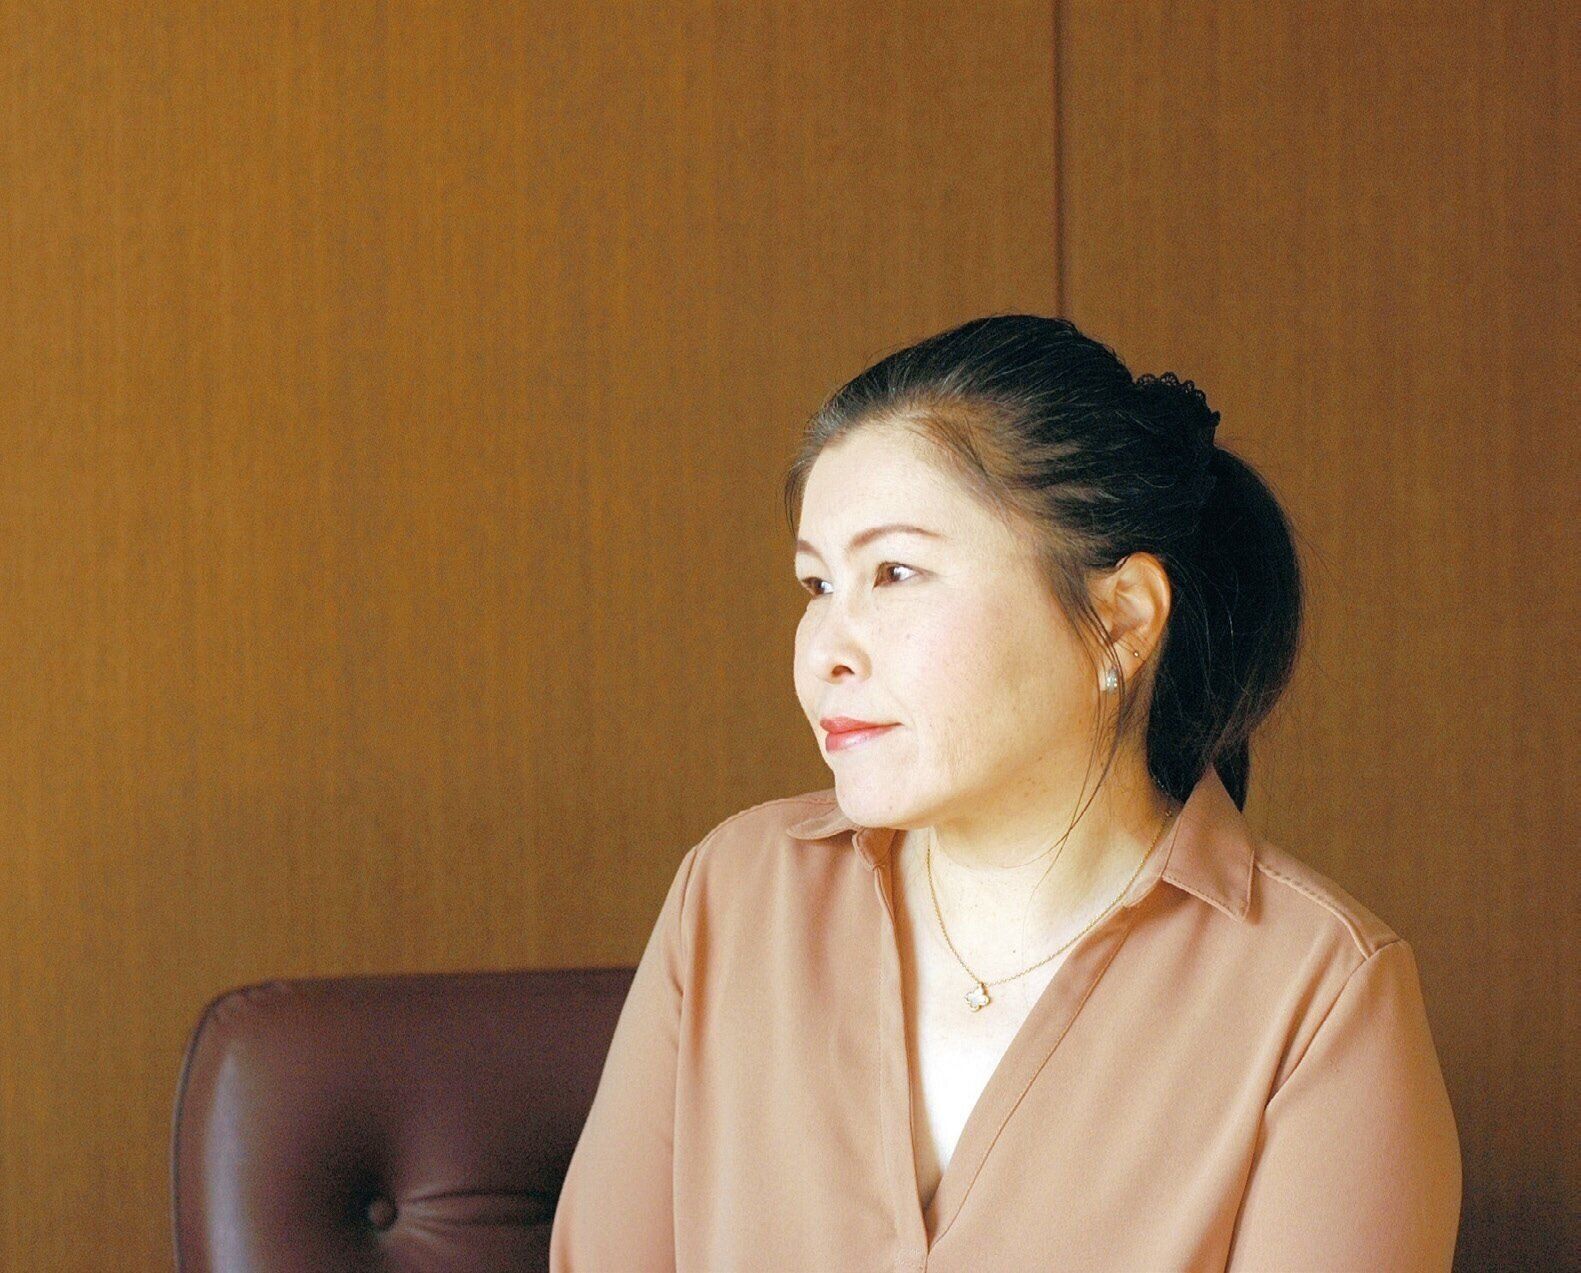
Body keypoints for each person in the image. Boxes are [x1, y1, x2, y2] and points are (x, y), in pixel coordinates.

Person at [548, 314, 1462, 1271]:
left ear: (1120, 619)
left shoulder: (1320, 991)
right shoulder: (734, 891)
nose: (824, 652)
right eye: (816, 585)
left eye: (895, 573)